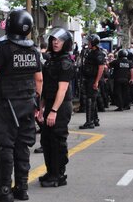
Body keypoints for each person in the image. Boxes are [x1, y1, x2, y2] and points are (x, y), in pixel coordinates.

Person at [0, 9, 42, 202]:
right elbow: (39, 79)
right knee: (22, 146)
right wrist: (37, 103)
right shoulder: (34, 50)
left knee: (5, 146)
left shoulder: (5, 48)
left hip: (7, 104)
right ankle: (22, 188)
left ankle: (3, 190)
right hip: (28, 102)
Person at [37, 27, 74, 188]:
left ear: (66, 43)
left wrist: (53, 111)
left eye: (59, 40)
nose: (55, 42)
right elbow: (45, 88)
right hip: (50, 103)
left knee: (57, 140)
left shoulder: (66, 62)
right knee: (46, 140)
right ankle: (50, 171)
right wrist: (41, 108)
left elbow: (62, 89)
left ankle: (59, 174)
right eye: (53, 39)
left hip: (61, 105)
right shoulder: (51, 59)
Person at [79, 34, 105, 129]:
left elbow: (101, 68)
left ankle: (89, 122)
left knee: (90, 99)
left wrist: (96, 81)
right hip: (89, 79)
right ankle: (95, 119)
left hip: (93, 79)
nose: (88, 43)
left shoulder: (98, 53)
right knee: (92, 99)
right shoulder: (91, 52)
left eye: (89, 42)